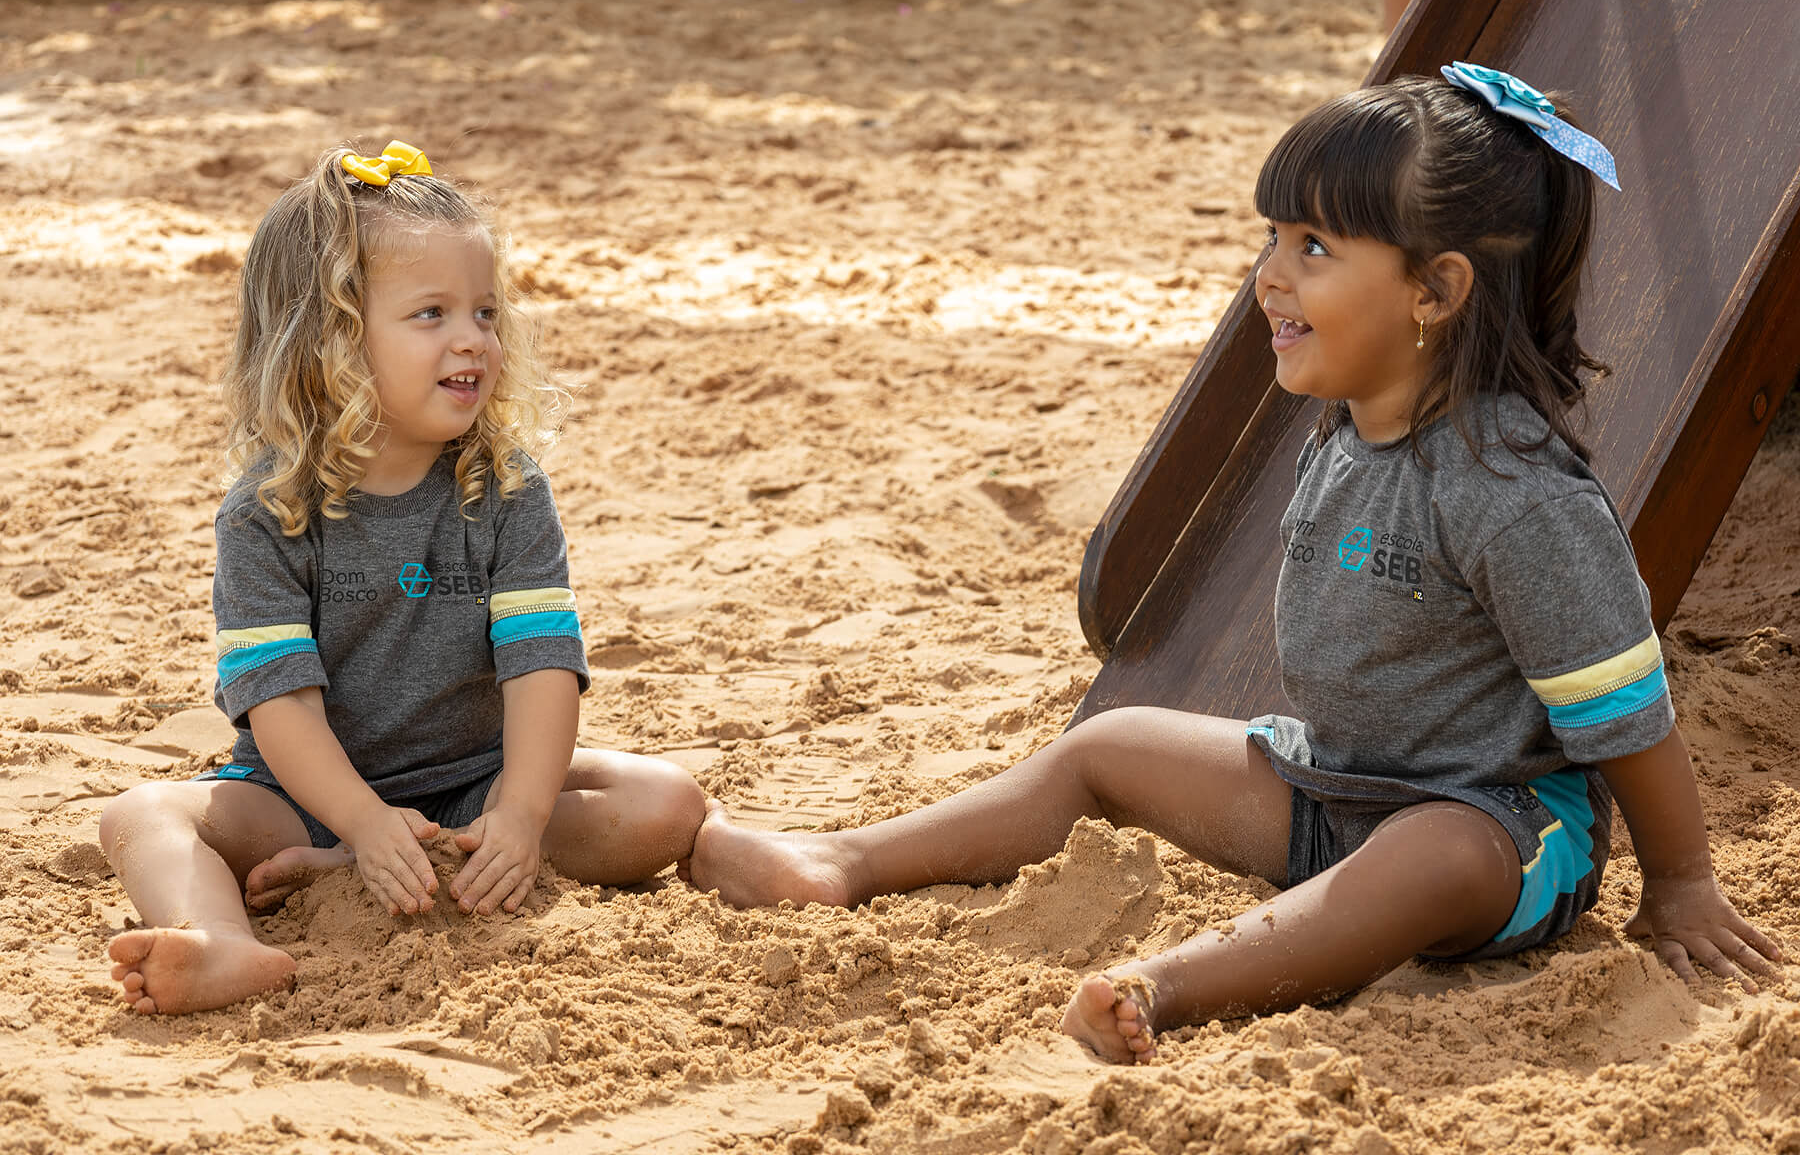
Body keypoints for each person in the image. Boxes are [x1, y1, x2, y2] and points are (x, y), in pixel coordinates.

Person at [687, 68, 1783, 1063]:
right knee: (1109, 744)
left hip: (1496, 829)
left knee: (1429, 858)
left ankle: (1165, 985)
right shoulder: (1347, 425)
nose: (1269, 278)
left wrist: (1681, 884)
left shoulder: (1517, 492)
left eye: (1314, 249)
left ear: (1434, 294)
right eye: (1272, 239)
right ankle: (842, 861)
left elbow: (1627, 711)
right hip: (1327, 786)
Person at [99, 141, 705, 1016]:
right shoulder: (266, 513)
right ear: (331, 342)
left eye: (487, 312)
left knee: (662, 803)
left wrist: (524, 815)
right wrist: (361, 822)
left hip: (476, 785)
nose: (473, 339)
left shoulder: (506, 490)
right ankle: (225, 941)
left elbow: (542, 664)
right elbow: (281, 704)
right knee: (141, 814)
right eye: (432, 314)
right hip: (303, 800)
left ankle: (403, 864)